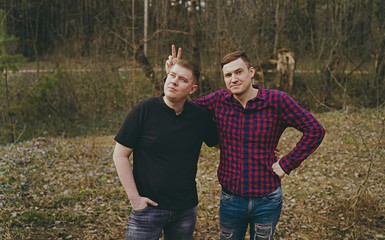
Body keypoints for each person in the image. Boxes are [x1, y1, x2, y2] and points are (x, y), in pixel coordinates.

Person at [165, 47, 325, 239]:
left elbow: (315, 130)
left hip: (267, 197)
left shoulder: (277, 101)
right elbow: (182, 108)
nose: (233, 79)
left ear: (251, 72)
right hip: (231, 198)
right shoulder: (219, 100)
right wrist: (172, 78)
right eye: (228, 75)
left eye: (239, 72)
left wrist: (287, 163)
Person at [113, 59, 219, 240]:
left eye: (183, 80)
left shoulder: (200, 117)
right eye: (172, 75)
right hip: (147, 210)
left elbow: (224, 145)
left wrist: (263, 149)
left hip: (185, 210)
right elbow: (120, 155)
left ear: (192, 89)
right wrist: (135, 199)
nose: (174, 81)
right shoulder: (143, 111)